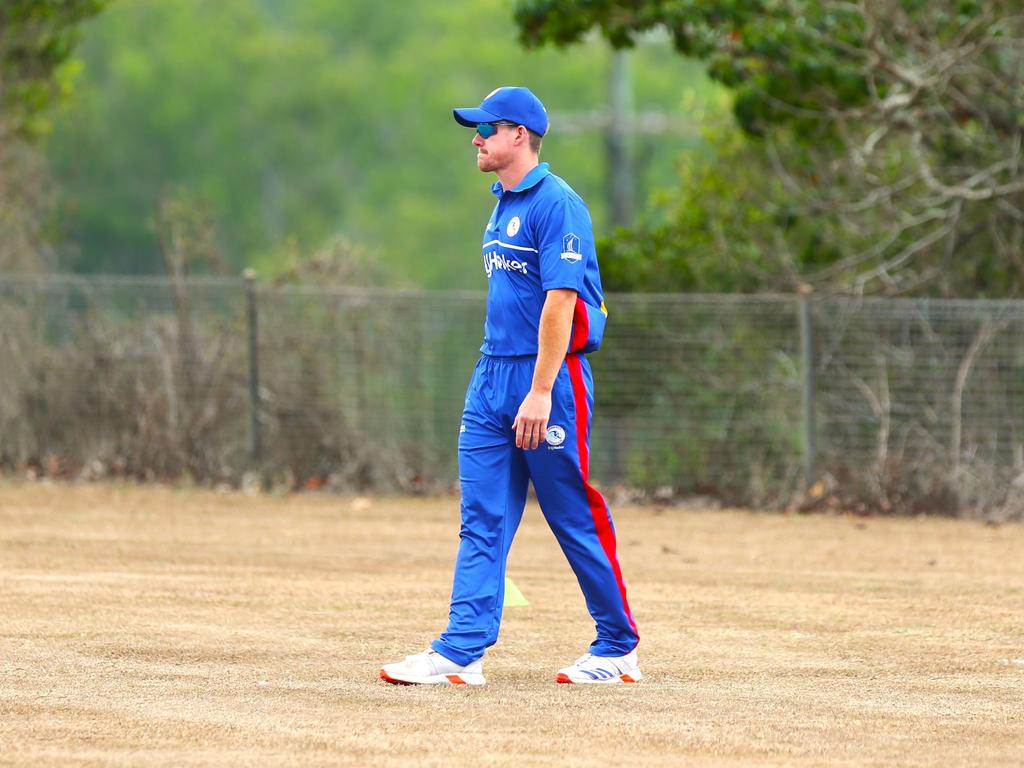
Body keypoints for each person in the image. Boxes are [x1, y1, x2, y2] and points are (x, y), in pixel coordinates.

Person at [380, 87, 640, 686]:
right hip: (491, 375)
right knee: (482, 516)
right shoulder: (501, 204)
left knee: (570, 513)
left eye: (486, 129)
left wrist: (541, 390)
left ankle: (617, 646)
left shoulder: (559, 204)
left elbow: (561, 302)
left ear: (518, 135)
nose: (476, 138)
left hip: (547, 380)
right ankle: (460, 651)